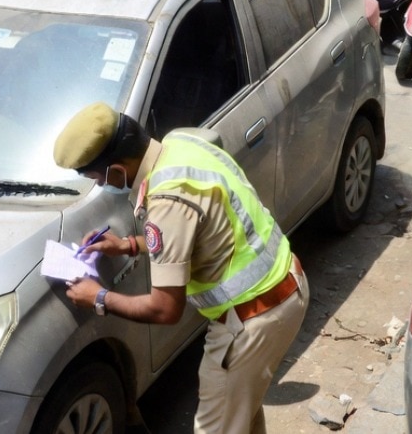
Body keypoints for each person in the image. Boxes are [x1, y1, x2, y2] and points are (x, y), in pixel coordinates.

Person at [53, 102, 310, 434]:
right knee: (240, 417)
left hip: (252, 319)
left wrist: (99, 297)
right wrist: (128, 245)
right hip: (285, 284)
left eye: (97, 177)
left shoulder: (167, 199)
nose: (102, 184)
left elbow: (164, 309)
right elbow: (195, 233)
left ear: (116, 169)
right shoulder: (181, 144)